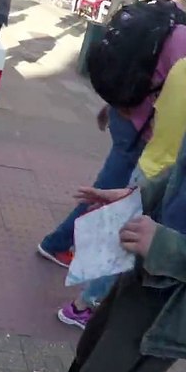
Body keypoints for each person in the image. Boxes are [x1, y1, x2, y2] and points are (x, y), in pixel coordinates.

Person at [0, 128, 186, 372]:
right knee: (85, 362)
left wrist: (167, 246)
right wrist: (134, 199)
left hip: (167, 316)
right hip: (141, 274)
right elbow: (179, 176)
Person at [38, 18, 186, 269]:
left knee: (112, 193)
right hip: (140, 129)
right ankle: (60, 246)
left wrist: (113, 105)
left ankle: (72, 253)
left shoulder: (168, 26)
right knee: (108, 194)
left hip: (127, 116)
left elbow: (143, 75)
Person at [58, 59, 186, 330]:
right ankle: (84, 305)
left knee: (121, 241)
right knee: (126, 250)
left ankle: (86, 296)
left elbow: (158, 114)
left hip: (149, 164)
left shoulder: (181, 65)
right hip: (168, 180)